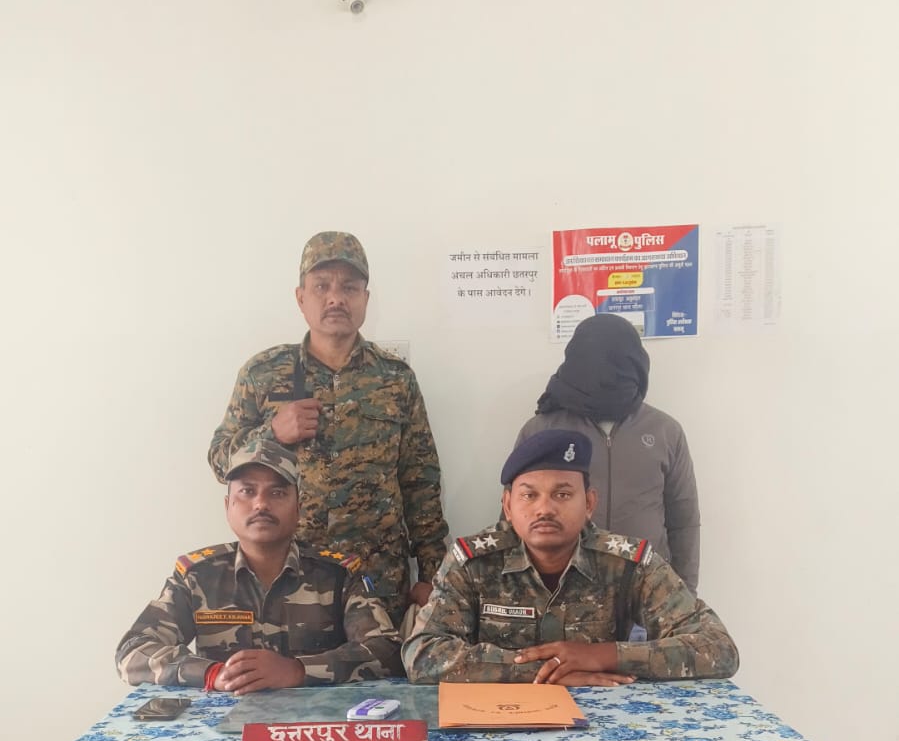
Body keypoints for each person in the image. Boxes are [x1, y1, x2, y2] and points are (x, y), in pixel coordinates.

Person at [207, 231, 448, 627]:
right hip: (290, 575)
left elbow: (420, 481)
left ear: (365, 299)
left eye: (349, 287)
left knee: (377, 667)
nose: (336, 298)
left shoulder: (395, 378)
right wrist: (271, 433)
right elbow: (220, 462)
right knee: (289, 666)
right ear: (301, 298)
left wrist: (432, 575)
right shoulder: (263, 373)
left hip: (378, 578)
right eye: (322, 286)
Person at [402, 431, 737, 685]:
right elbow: (422, 654)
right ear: (508, 505)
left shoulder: (628, 562)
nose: (544, 509)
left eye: (562, 494)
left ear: (589, 503)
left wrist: (601, 656)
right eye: (529, 495)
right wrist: (544, 672)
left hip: (603, 721)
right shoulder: (472, 562)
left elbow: (718, 648)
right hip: (499, 723)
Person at [116, 444, 403, 692]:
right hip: (224, 724)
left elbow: (387, 650)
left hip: (314, 724)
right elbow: (133, 651)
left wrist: (299, 670)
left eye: (277, 493)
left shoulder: (337, 575)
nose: (260, 504)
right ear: (228, 506)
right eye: (247, 491)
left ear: (299, 508)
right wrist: (212, 673)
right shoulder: (198, 577)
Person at [514, 314, 701, 591]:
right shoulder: (542, 430)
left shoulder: (665, 431)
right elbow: (516, 515)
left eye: (618, 360)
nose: (605, 370)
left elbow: (684, 521)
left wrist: (685, 592)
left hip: (647, 590)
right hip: (562, 590)